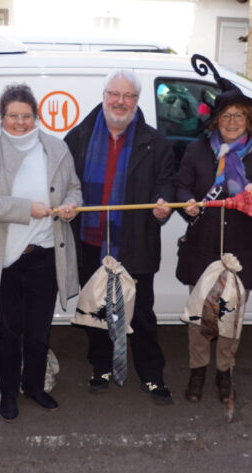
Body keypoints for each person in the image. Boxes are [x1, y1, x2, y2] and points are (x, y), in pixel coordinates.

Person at [0, 83, 80, 422]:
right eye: (13, 116)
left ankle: (35, 386)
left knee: (40, 330)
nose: (20, 123)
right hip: (4, 259)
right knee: (9, 332)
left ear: (36, 116)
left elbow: (74, 188)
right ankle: (9, 393)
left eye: (26, 116)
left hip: (44, 253)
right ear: (1, 118)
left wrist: (72, 204)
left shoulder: (56, 149)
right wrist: (28, 208)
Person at [65, 69, 176, 405]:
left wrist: (163, 204)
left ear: (137, 101)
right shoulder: (79, 137)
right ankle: (100, 367)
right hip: (91, 242)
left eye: (128, 96)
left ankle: (152, 375)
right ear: (104, 95)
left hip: (136, 241)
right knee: (98, 309)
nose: (120, 101)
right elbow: (66, 183)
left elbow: (166, 183)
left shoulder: (155, 142)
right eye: (114, 94)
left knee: (141, 314)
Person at [176, 68, 252, 403]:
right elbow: (182, 185)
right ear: (215, 121)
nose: (232, 121)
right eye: (225, 115)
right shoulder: (197, 152)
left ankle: (224, 374)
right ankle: (197, 372)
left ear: (249, 121)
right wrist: (186, 204)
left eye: (239, 116)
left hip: (242, 250)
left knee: (231, 317)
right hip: (203, 246)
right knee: (200, 317)